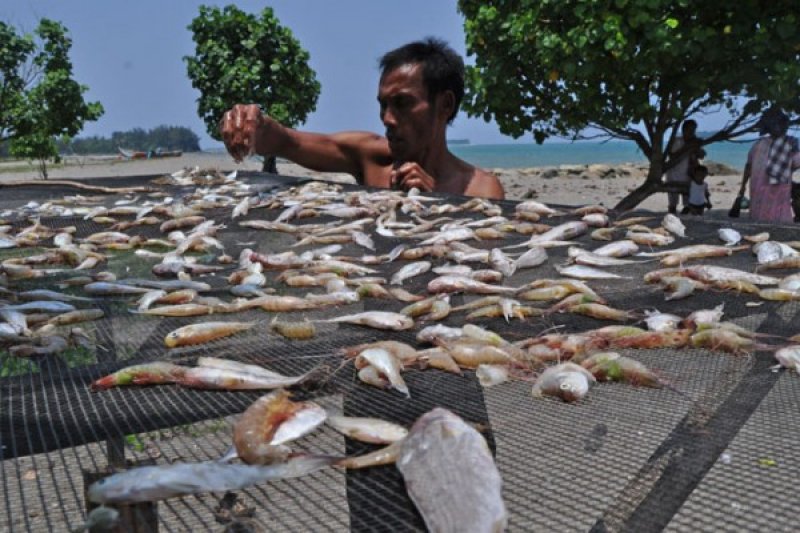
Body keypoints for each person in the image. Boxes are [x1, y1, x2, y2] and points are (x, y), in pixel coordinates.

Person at [219, 38, 504, 200]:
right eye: (383, 105)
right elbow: (288, 141)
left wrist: (435, 204)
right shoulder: (370, 156)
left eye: (403, 103)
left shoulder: (482, 189)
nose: (388, 119)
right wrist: (255, 123)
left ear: (445, 105)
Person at [737, 108, 800, 223]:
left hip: (759, 191)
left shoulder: (758, 144)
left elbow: (748, 167)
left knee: (760, 218)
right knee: (778, 220)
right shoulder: (789, 143)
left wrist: (743, 186)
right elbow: (796, 163)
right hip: (778, 191)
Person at [664, 120, 705, 214]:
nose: (692, 133)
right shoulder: (676, 141)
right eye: (690, 130)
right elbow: (672, 156)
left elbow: (701, 155)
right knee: (672, 203)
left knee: (687, 203)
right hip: (674, 175)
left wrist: (697, 147)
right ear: (684, 130)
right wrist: (687, 146)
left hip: (688, 176)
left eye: (693, 130)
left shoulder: (694, 142)